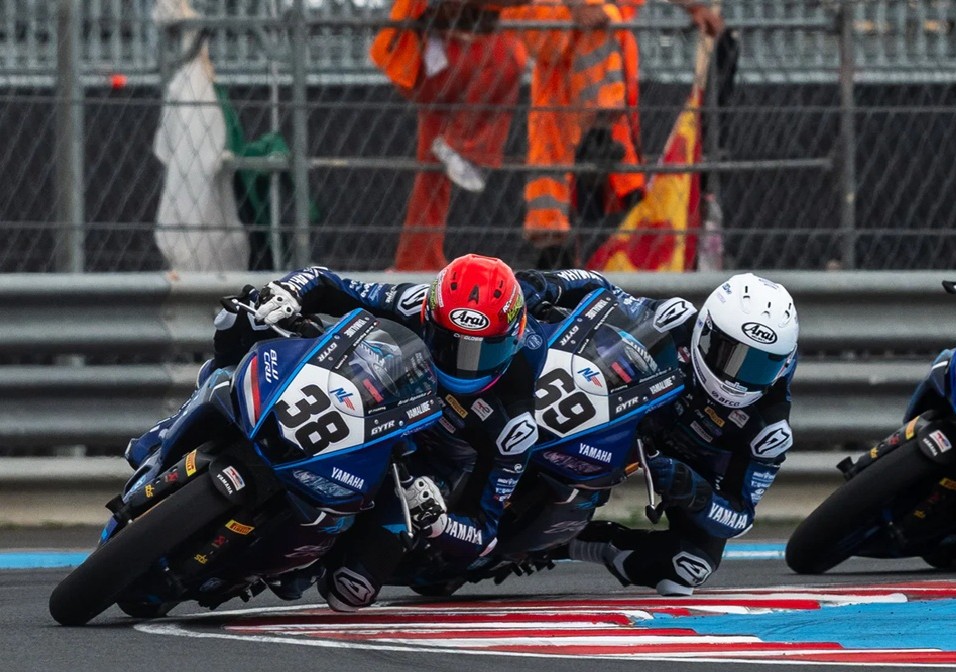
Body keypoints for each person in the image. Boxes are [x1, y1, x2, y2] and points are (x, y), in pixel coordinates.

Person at [222, 254, 538, 610]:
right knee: (241, 321)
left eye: (483, 352)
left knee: (350, 590)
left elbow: (485, 533)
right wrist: (290, 291)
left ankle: (300, 557)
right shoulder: (412, 303)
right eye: (449, 344)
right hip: (365, 403)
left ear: (514, 339)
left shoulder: (515, 424)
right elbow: (327, 282)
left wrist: (438, 522)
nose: (463, 364)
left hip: (421, 470)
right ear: (429, 316)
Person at [521, 269, 799, 595]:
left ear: (783, 364)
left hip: (686, 466)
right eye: (731, 355)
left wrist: (694, 490)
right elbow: (603, 289)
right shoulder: (675, 319)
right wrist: (547, 284)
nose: (738, 378)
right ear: (706, 331)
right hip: (624, 417)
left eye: (759, 366)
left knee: (689, 566)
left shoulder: (768, 431)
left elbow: (739, 518)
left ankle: (574, 543)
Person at [502, 0, 724, 269]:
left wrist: (694, 8)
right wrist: (577, 7)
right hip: (557, 24)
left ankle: (551, 242)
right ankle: (597, 133)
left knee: (549, 137)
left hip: (584, 63)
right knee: (602, 19)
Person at [370, 0, 529, 271]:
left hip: (450, 61)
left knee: (432, 169)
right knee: (509, 55)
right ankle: (460, 144)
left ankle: (415, 261)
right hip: (432, 62)